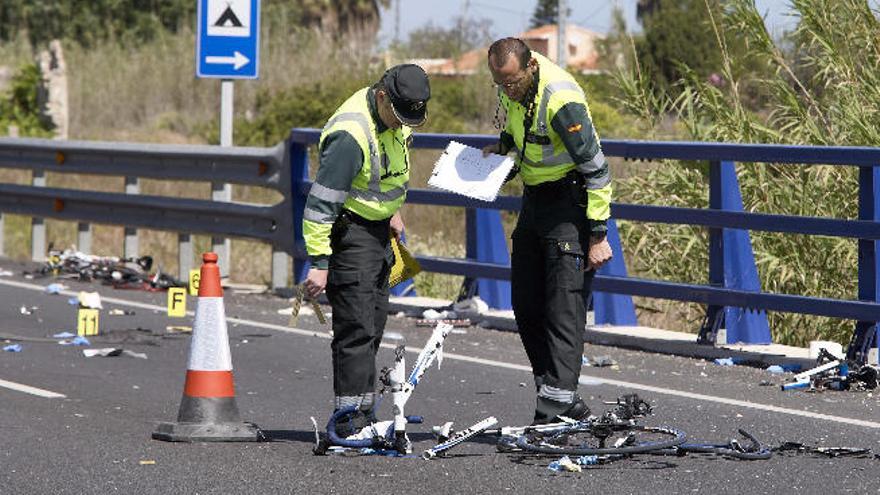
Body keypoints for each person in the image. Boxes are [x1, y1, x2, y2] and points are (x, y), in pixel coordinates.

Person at [483, 38, 613, 424]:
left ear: (530, 67)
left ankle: (555, 410)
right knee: (526, 305)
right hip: (534, 201)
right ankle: (559, 398)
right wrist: (500, 149)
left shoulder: (560, 99)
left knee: (563, 309)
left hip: (569, 204)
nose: (507, 90)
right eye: (499, 83)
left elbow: (597, 170)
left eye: (511, 82)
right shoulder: (512, 88)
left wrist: (598, 234)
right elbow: (519, 135)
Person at [301, 64, 431, 435]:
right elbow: (320, 205)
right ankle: (347, 421)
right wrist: (320, 263)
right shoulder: (350, 134)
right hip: (351, 233)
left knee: (373, 324)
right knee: (355, 329)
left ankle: (365, 413)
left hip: (379, 231)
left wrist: (393, 212)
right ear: (381, 97)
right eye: (399, 116)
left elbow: (387, 172)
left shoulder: (397, 116)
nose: (402, 124)